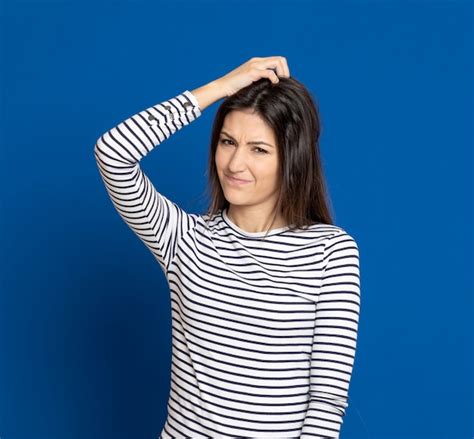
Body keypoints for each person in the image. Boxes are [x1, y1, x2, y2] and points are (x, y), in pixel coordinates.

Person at [94, 56, 361, 439]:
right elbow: (113, 153)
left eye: (259, 149)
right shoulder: (183, 238)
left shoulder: (330, 252)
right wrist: (222, 87)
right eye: (228, 141)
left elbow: (326, 400)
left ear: (293, 159)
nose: (235, 163)